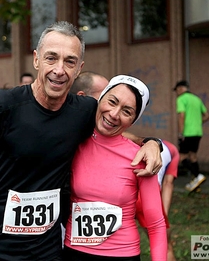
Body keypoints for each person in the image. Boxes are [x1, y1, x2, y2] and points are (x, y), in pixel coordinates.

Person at [0, 21, 162, 260]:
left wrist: (152, 143)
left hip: (47, 251)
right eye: (52, 58)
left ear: (79, 68)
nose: (59, 69)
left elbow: (115, 131)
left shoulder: (85, 111)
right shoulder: (0, 105)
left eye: (69, 61)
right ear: (36, 59)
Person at [62, 75, 167, 260]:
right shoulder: (72, 142)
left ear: (133, 120)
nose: (114, 114)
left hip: (122, 254)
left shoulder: (141, 156)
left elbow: (156, 224)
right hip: (73, 252)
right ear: (100, 99)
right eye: (112, 101)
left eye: (126, 111)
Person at [136, 140, 179, 261]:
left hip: (125, 192)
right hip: (146, 196)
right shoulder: (173, 151)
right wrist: (161, 215)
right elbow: (168, 184)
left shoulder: (138, 142)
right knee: (164, 246)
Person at [173, 80, 209, 192]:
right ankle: (196, 184)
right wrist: (198, 122)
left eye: (176, 90)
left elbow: (181, 116)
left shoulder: (181, 99)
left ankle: (198, 175)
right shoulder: (196, 99)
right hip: (198, 132)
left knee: (182, 157)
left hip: (187, 133)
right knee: (193, 156)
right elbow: (207, 116)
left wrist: (181, 133)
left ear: (180, 89)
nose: (176, 93)